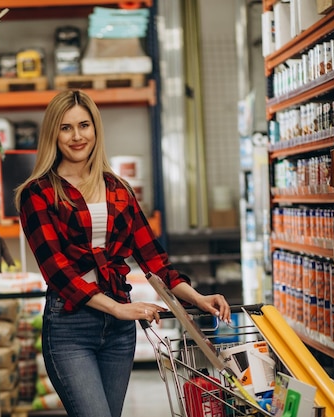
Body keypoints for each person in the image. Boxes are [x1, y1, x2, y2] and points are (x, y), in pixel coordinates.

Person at [14, 89, 230, 417]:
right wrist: (117, 308)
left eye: (84, 125)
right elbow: (58, 271)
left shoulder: (118, 189)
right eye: (66, 127)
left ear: (96, 129)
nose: (77, 136)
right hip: (70, 326)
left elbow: (154, 259)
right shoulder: (39, 193)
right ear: (53, 134)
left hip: (117, 333)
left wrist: (196, 297)